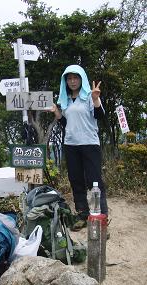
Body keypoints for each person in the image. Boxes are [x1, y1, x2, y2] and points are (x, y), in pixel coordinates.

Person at [51, 64, 108, 230]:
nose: (72, 81)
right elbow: (66, 123)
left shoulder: (90, 96)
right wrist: (57, 112)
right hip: (71, 145)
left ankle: (101, 219)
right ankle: (82, 214)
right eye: (69, 78)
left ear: (81, 79)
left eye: (75, 77)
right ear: (65, 81)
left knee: (94, 182)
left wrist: (96, 99)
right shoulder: (66, 100)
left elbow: (100, 116)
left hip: (90, 144)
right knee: (76, 180)